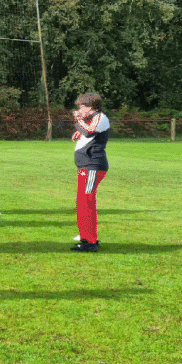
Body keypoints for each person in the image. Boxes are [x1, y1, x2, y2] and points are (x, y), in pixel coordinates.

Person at [70, 91, 110, 252]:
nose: (79, 110)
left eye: (81, 106)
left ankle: (90, 242)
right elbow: (88, 132)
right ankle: (87, 238)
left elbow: (90, 132)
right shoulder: (94, 119)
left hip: (92, 166)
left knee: (86, 202)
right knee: (82, 203)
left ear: (91, 106)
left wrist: (78, 119)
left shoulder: (100, 117)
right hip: (86, 167)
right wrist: (80, 130)